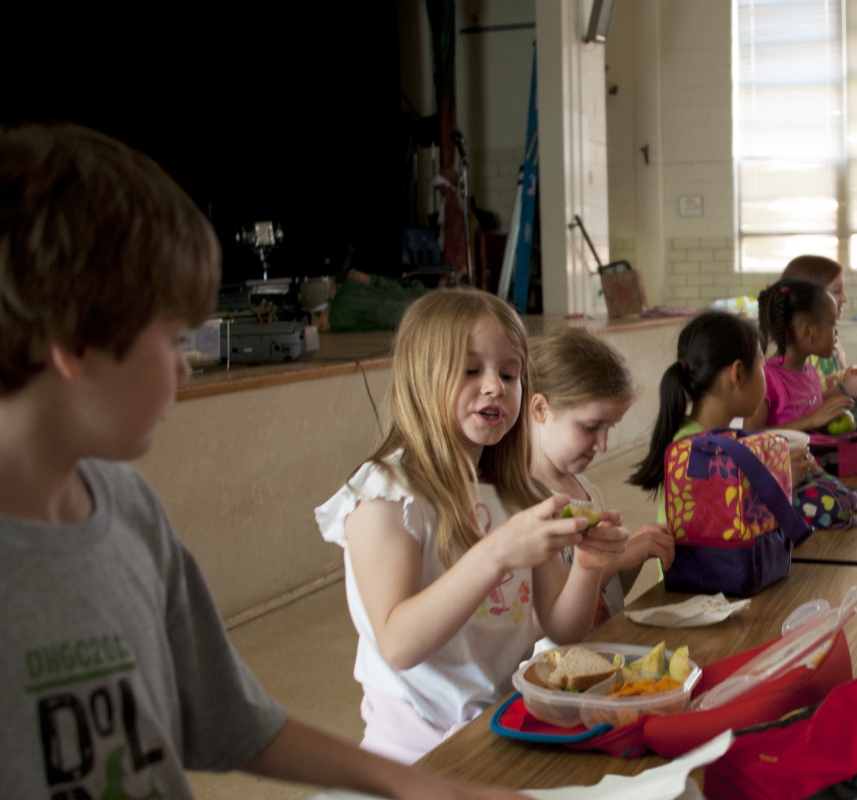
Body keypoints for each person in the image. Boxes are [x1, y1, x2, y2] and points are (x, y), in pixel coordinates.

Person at [0, 124, 527, 798]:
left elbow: (234, 722)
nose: (185, 373)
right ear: (76, 344)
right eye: (170, 341)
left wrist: (424, 787)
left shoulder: (129, 511)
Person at [316, 289, 630, 765]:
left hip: (501, 729)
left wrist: (588, 565)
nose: (495, 387)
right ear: (422, 378)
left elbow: (562, 629)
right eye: (470, 370)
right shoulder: (385, 493)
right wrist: (497, 552)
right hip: (415, 756)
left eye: (509, 374)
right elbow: (399, 643)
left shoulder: (514, 492)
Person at [527, 327, 674, 622]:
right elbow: (543, 615)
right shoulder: (526, 501)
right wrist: (617, 559)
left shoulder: (586, 490)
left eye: (610, 429)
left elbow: (609, 595)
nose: (603, 445)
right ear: (541, 409)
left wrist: (635, 556)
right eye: (591, 427)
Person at [630, 311, 812, 520]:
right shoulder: (694, 448)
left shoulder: (715, 438)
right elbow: (718, 518)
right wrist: (783, 480)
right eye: (762, 366)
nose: (766, 375)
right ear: (738, 374)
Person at [745, 278, 854, 431]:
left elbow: (813, 429)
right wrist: (811, 420)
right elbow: (751, 434)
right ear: (808, 332)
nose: (836, 331)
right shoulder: (765, 376)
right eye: (832, 323)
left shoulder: (812, 374)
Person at [781, 254, 857, 399]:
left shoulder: (830, 339)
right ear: (809, 297)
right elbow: (801, 406)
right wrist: (845, 390)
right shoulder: (801, 351)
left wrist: (851, 378)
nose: (844, 298)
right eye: (837, 291)